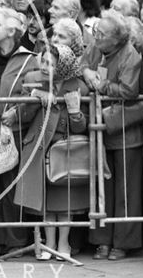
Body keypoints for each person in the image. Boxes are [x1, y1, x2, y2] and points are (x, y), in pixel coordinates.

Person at [14, 44, 89, 261]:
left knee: (65, 200)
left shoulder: (78, 87)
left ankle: (63, 242)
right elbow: (22, 115)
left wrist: (75, 113)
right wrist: (34, 96)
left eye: (52, 64)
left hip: (65, 149)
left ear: (64, 67)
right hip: (39, 146)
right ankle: (49, 242)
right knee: (44, 201)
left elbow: (81, 126)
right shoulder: (32, 79)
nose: (46, 68)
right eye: (44, 61)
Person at [81, 9, 142, 261]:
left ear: (116, 39)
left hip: (126, 129)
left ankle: (124, 242)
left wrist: (101, 85)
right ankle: (101, 241)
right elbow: (83, 63)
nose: (95, 36)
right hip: (99, 129)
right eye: (95, 31)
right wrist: (86, 73)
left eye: (101, 34)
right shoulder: (97, 47)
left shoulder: (131, 55)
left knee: (127, 190)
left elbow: (129, 90)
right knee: (101, 186)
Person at [0, 7, 39, 258]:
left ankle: (15, 239)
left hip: (13, 131)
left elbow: (33, 93)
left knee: (11, 184)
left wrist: (17, 112)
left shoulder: (30, 59)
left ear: (13, 30)